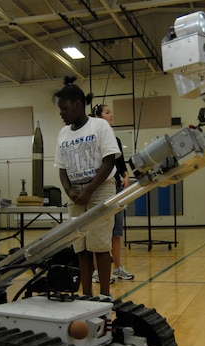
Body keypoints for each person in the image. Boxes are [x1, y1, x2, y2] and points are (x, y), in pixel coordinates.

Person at [53, 76, 121, 299]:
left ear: (78, 104)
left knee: (99, 245)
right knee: (80, 246)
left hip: (99, 190)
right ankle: (86, 294)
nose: (61, 113)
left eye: (64, 108)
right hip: (76, 193)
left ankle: (103, 294)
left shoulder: (99, 126)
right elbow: (61, 168)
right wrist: (71, 192)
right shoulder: (63, 134)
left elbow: (109, 160)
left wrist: (89, 191)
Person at [90, 103, 134, 282]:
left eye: (111, 113)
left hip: (116, 191)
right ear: (98, 118)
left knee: (116, 231)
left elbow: (121, 163)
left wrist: (126, 175)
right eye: (107, 113)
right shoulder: (93, 138)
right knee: (99, 232)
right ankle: (96, 271)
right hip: (101, 191)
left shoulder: (115, 140)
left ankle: (117, 268)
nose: (111, 116)